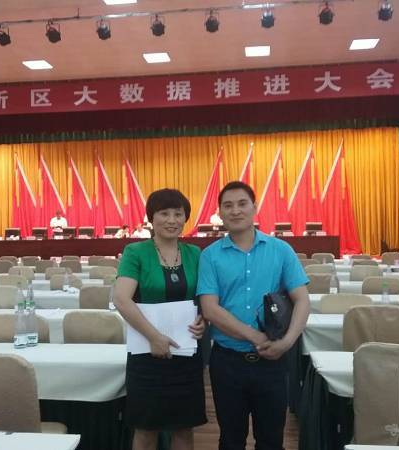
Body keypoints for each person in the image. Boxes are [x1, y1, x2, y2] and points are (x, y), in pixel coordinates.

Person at [197, 181, 310, 450]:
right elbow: (210, 309)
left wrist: (287, 343)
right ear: (220, 213)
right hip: (227, 363)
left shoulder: (281, 250)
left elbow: (302, 300)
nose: (235, 210)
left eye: (242, 203)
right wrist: (255, 337)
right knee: (230, 440)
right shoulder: (210, 256)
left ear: (254, 208)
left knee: (271, 440)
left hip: (273, 362)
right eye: (228, 206)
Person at [113, 188, 207, 450]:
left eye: (178, 214)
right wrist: (154, 337)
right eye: (164, 213)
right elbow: (121, 299)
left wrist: (204, 320)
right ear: (151, 218)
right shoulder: (135, 252)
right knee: (146, 429)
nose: (172, 220)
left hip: (186, 353)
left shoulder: (195, 254)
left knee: (184, 427)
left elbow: (204, 297)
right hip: (147, 353)